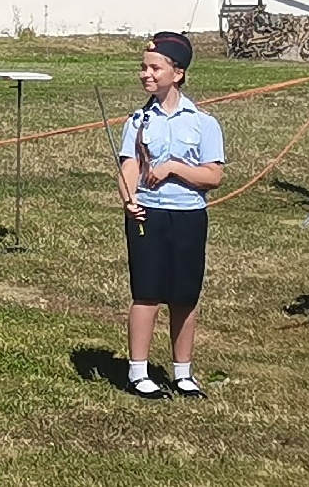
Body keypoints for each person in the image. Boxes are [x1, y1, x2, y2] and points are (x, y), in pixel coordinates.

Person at [116, 31, 225, 399]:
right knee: (146, 293)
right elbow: (129, 165)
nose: (146, 74)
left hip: (189, 215)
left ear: (176, 73)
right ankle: (138, 372)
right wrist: (129, 198)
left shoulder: (203, 122)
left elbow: (213, 176)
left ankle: (183, 373)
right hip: (148, 214)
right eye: (143, 68)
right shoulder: (137, 120)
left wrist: (175, 168)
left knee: (184, 296)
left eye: (154, 67)